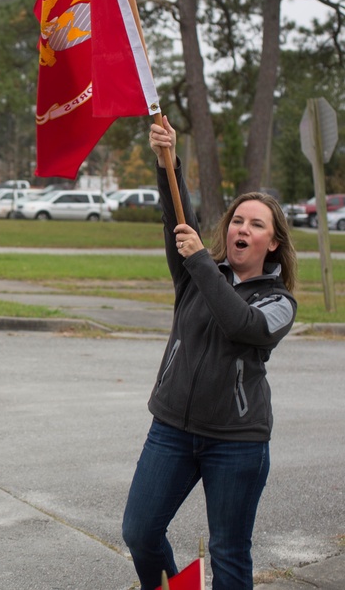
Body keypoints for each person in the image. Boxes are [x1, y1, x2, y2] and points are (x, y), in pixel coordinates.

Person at [122, 116, 298, 590]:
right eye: (237, 219)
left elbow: (243, 326)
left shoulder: (279, 302)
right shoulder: (196, 274)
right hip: (171, 431)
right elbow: (176, 218)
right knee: (139, 532)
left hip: (236, 442)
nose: (242, 227)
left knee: (229, 555)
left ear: (272, 242)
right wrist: (167, 162)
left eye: (255, 224)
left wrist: (201, 260)